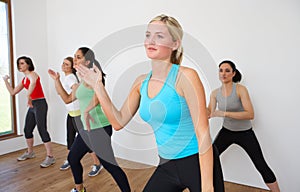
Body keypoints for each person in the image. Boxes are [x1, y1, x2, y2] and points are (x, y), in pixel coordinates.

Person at [75, 14, 224, 192]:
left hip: (196, 162)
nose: (151, 40)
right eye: (148, 35)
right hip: (166, 164)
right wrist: (98, 86)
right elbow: (118, 122)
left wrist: (207, 186)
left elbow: (203, 133)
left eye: (159, 36)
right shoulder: (141, 82)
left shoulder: (185, 77)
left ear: (175, 44)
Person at [48, 47, 131, 192]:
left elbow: (99, 97)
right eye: (74, 56)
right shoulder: (81, 81)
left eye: (78, 57)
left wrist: (86, 111)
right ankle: (79, 189)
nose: (75, 59)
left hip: (99, 127)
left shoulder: (94, 77)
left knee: (110, 166)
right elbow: (68, 99)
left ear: (87, 61)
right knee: (73, 158)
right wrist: (57, 80)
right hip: (86, 129)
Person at [207, 60, 281, 192]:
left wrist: (224, 113)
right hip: (226, 132)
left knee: (261, 164)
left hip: (245, 133)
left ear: (233, 74)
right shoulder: (214, 93)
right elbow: (209, 112)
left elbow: (250, 114)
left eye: (227, 70)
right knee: (209, 158)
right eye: (221, 70)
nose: (223, 73)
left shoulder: (240, 89)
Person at [3, 56, 55, 168]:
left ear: (28, 64)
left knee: (42, 129)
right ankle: (30, 152)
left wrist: (28, 96)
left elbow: (33, 84)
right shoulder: (24, 79)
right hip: (32, 105)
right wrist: (5, 81)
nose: (19, 65)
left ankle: (50, 157)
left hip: (40, 104)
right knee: (27, 129)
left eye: (22, 63)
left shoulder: (33, 75)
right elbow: (12, 92)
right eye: (18, 63)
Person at [55, 56, 103, 177]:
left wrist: (74, 96)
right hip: (71, 113)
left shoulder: (71, 77)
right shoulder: (67, 77)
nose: (64, 66)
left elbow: (74, 89)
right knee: (70, 138)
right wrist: (56, 80)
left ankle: (97, 163)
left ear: (72, 67)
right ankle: (71, 159)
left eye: (67, 64)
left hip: (77, 113)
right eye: (63, 63)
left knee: (86, 141)